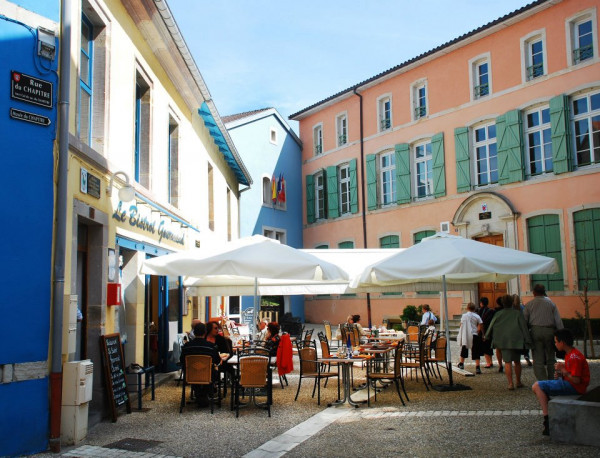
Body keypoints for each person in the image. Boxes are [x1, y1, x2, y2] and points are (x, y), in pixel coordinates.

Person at [532, 328, 590, 436]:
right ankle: (549, 413)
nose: (555, 344)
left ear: (562, 343)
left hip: (575, 387)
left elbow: (576, 380)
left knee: (537, 386)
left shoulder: (574, 357)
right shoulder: (571, 354)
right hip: (572, 384)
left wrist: (563, 371)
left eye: (555, 342)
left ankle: (547, 419)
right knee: (541, 386)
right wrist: (561, 372)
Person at [485, 295, 532, 390]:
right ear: (512, 303)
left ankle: (510, 384)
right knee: (517, 361)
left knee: (507, 362)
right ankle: (518, 381)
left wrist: (487, 336)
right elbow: (524, 327)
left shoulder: (498, 314)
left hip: (503, 341)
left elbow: (491, 325)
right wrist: (528, 339)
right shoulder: (517, 313)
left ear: (502, 303)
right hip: (516, 340)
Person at [524, 284, 564, 381]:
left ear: (534, 292)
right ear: (544, 291)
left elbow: (524, 321)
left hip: (535, 331)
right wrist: (561, 335)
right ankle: (552, 379)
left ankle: (542, 381)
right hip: (549, 331)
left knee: (538, 359)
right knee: (551, 357)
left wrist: (526, 335)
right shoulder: (551, 304)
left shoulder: (529, 304)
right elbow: (558, 321)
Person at [180, 322, 222, 407]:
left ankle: (199, 394)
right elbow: (217, 361)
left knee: (198, 373)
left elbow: (182, 360)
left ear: (194, 333)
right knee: (214, 371)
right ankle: (204, 394)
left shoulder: (187, 346)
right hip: (208, 375)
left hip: (191, 375)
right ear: (205, 333)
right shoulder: (211, 347)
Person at [457, 302, 483, 374]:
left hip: (466, 334)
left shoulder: (464, 316)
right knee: (476, 350)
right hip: (474, 334)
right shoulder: (477, 316)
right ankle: (477, 367)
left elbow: (461, 324)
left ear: (467, 308)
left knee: (464, 349)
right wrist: (481, 332)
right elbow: (480, 324)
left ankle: (461, 363)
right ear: (474, 308)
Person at [512, 294, 533, 367]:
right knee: (524, 344)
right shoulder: (523, 307)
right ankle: (526, 356)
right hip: (523, 328)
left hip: (514, 329)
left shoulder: (511, 308)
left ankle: (516, 359)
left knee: (516, 345)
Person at [478, 297, 495, 368]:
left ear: (481, 303)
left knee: (485, 347)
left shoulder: (480, 311)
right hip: (490, 330)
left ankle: (488, 363)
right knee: (489, 346)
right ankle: (491, 362)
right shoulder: (491, 311)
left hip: (483, 330)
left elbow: (480, 322)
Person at [494, 297, 505, 373]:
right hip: (507, 331)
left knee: (498, 349)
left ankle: (500, 364)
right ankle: (508, 362)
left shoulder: (495, 311)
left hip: (498, 331)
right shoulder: (510, 311)